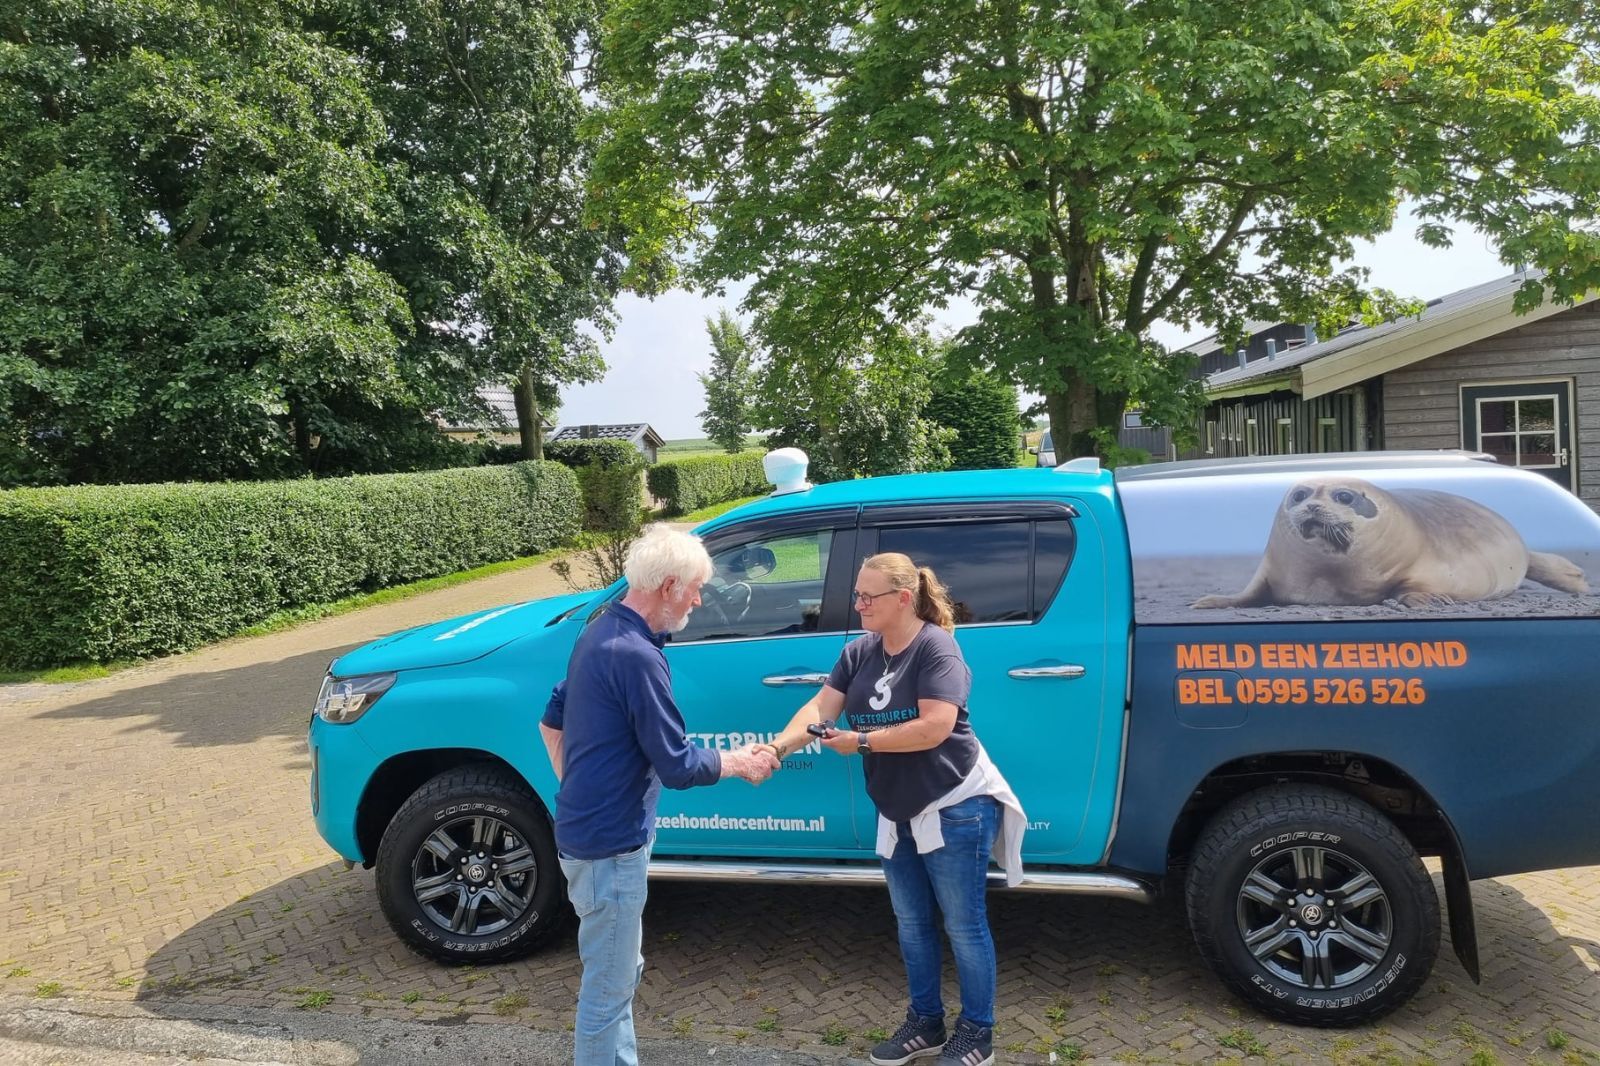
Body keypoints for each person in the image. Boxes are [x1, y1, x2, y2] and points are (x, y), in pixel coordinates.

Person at [763, 553, 1025, 1066]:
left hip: (955, 804)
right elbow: (820, 708)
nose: (857, 604)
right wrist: (777, 748)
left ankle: (978, 1033)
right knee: (911, 922)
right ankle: (926, 1022)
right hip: (898, 808)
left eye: (867, 596)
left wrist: (861, 741)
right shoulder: (860, 652)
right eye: (857, 594)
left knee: (963, 924)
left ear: (903, 599)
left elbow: (935, 727)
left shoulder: (937, 649)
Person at [540, 524, 779, 1066]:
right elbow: (675, 763)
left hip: (588, 835)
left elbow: (550, 721)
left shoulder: (600, 632)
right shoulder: (635, 655)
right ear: (669, 585)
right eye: (694, 587)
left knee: (618, 972)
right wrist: (739, 761)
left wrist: (582, 788)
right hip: (610, 847)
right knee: (608, 990)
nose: (699, 598)